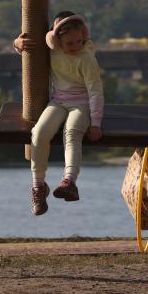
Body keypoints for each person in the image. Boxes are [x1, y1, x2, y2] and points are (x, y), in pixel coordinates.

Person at [13, 11, 103, 216]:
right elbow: (27, 48)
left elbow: (96, 91)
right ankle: (38, 186)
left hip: (82, 104)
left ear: (84, 37)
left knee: (71, 133)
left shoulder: (86, 57)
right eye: (69, 43)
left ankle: (69, 181)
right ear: (56, 40)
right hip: (59, 101)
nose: (75, 47)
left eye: (79, 41)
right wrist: (17, 44)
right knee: (39, 132)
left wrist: (95, 122)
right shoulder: (51, 49)